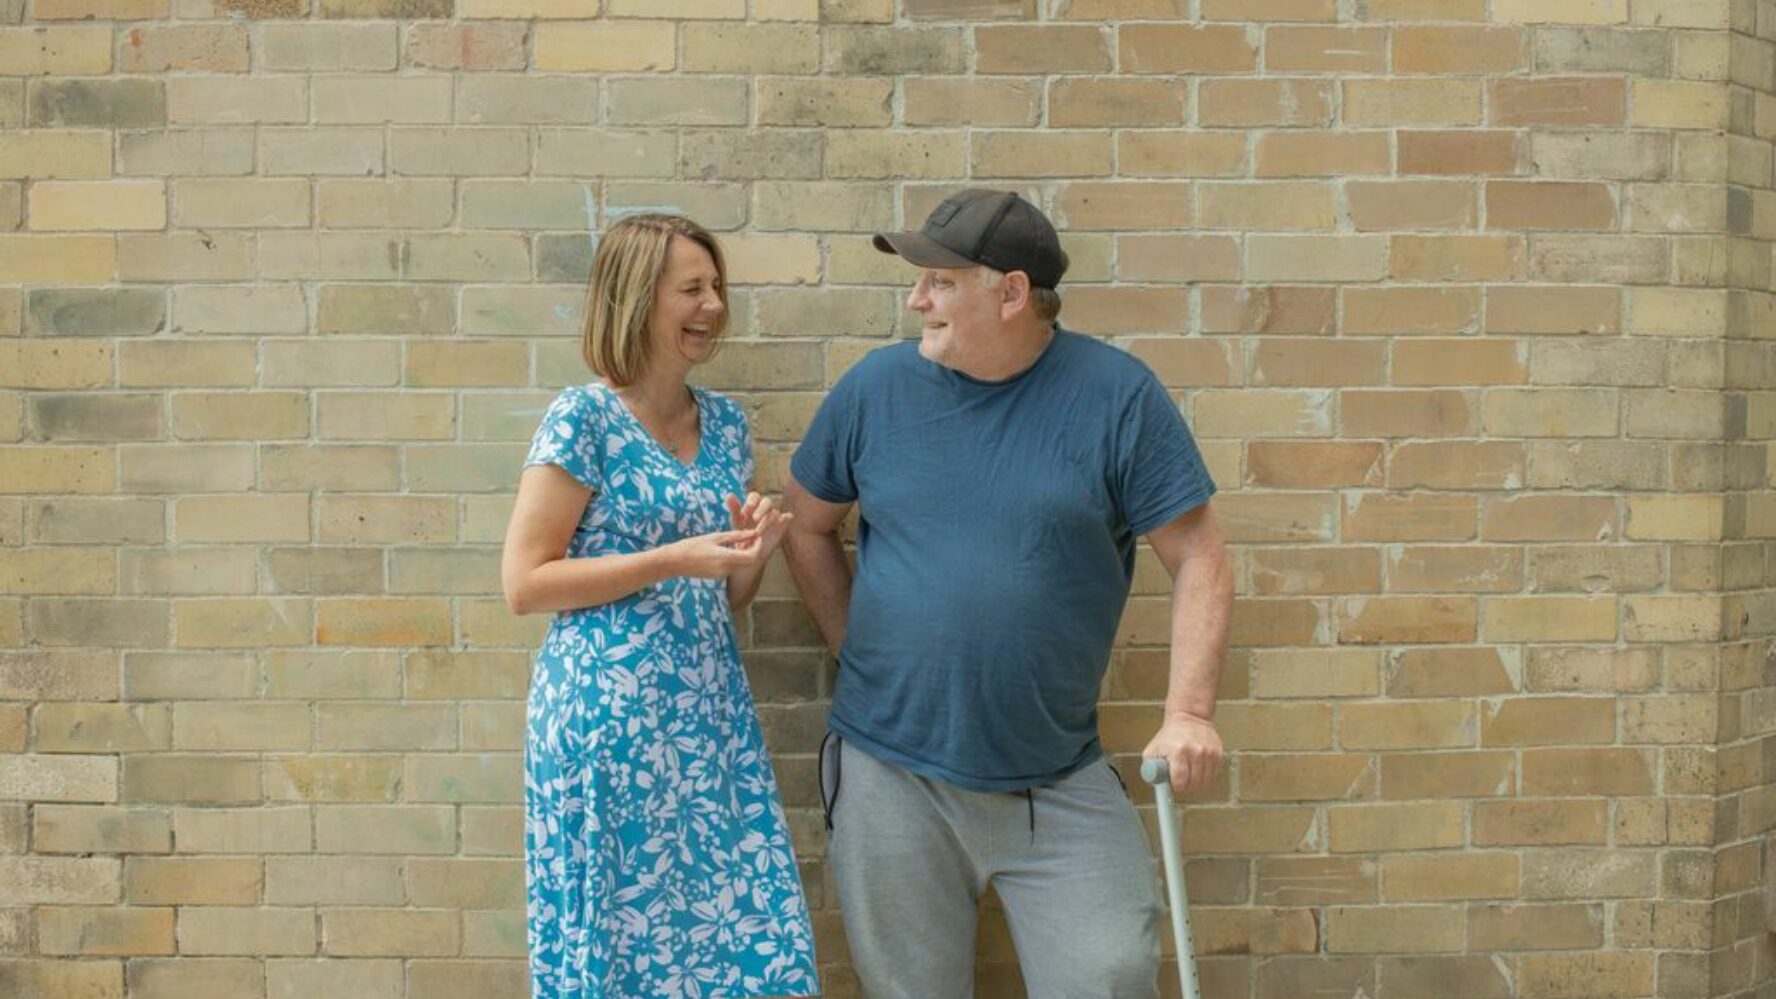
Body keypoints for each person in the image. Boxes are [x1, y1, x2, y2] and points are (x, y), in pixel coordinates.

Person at [782, 189, 1233, 998]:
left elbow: (1198, 554)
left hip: (1054, 773)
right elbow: (805, 524)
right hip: (891, 772)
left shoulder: (1118, 397)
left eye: (940, 281)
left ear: (1012, 292)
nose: (917, 298)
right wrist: (857, 649)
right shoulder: (875, 389)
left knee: (1110, 973)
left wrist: (1188, 711)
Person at [502, 213, 819, 999]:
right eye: (692, 289)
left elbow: (724, 597)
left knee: (750, 933)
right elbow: (524, 582)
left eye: (716, 287)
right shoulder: (585, 419)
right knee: (621, 933)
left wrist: (753, 553)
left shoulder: (727, 424)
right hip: (605, 722)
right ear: (637, 300)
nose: (713, 305)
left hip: (707, 714)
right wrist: (672, 559)